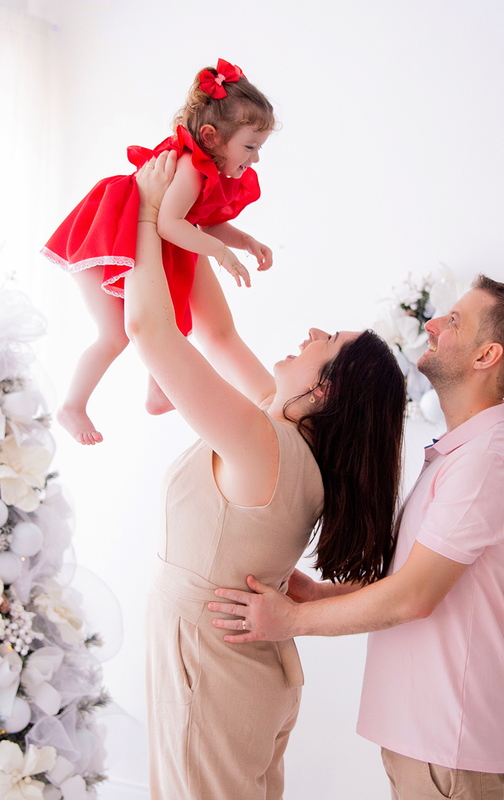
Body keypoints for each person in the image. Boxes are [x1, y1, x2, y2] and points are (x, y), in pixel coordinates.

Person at [123, 150, 408, 800]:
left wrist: (143, 213)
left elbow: (149, 328)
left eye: (326, 339)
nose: (310, 331)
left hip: (213, 672)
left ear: (327, 390)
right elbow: (216, 333)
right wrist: (184, 224)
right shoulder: (282, 440)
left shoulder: (265, 444)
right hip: (241, 674)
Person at [209, 277, 504, 800]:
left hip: (449, 750)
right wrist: (323, 595)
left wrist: (295, 620)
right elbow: (418, 583)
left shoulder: (486, 464)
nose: (433, 324)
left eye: (454, 321)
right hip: (430, 744)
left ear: (488, 355)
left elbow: (415, 596)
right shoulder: (464, 455)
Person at [43, 59, 277, 445]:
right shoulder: (190, 167)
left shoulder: (209, 171)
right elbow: (169, 223)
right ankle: (72, 404)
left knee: (173, 317)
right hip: (107, 233)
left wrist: (244, 241)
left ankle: (157, 390)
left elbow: (200, 220)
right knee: (115, 334)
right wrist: (220, 253)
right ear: (212, 136)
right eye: (250, 147)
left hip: (145, 237)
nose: (254, 159)